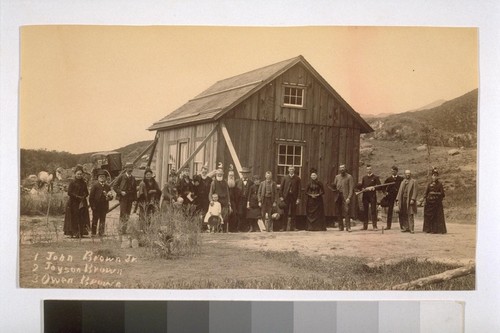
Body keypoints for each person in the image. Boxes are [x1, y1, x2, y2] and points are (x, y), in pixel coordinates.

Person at [64, 165, 90, 238]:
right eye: (78, 174)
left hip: (82, 202)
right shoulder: (72, 182)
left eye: (81, 174)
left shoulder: (84, 183)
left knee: (81, 217)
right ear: (75, 174)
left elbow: (87, 192)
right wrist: (76, 196)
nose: (79, 175)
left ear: (82, 175)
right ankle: (74, 232)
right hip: (73, 202)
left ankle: (81, 232)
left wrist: (84, 196)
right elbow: (69, 192)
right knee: (74, 217)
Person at [112, 162, 138, 235]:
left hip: (130, 198)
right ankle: (121, 229)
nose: (130, 169)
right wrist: (120, 192)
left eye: (131, 168)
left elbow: (135, 190)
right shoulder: (121, 176)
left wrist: (135, 199)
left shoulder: (133, 178)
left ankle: (124, 230)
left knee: (127, 214)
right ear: (125, 169)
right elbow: (114, 186)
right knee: (123, 213)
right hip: (123, 198)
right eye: (129, 168)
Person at [89, 169, 113, 236]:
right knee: (95, 219)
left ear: (106, 178)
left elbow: (110, 196)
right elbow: (91, 197)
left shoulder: (107, 186)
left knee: (103, 219)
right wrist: (93, 206)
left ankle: (101, 232)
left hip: (104, 205)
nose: (102, 178)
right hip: (96, 206)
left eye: (103, 177)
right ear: (98, 178)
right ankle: (93, 233)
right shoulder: (95, 186)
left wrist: (109, 197)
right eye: (100, 177)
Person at [423, 168, 447, 234]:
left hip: (437, 203)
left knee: (436, 216)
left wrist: (435, 193)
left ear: (437, 176)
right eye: (433, 175)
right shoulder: (429, 184)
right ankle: (428, 229)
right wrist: (424, 198)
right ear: (431, 176)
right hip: (429, 203)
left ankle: (436, 230)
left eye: (436, 176)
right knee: (429, 216)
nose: (434, 177)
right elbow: (426, 192)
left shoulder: (440, 184)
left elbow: (442, 194)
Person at [332, 164, 354, 232]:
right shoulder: (337, 177)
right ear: (339, 169)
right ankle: (340, 227)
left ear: (345, 168)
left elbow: (351, 188)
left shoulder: (349, 177)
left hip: (345, 196)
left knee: (347, 211)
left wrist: (349, 197)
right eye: (341, 168)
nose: (342, 169)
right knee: (338, 211)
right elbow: (334, 186)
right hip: (338, 196)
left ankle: (348, 227)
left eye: (343, 168)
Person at [279, 166, 301, 231]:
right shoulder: (285, 178)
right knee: (285, 212)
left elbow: (299, 189)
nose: (291, 170)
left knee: (293, 212)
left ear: (294, 170)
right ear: (288, 170)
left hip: (294, 197)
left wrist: (298, 198)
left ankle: (293, 227)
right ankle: (284, 227)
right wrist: (281, 196)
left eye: (292, 169)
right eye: (290, 169)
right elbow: (281, 188)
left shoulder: (297, 178)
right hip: (286, 197)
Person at [396, 169, 418, 233]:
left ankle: (411, 228)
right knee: (404, 213)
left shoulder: (414, 181)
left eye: (409, 173)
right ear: (405, 174)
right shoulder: (403, 182)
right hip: (403, 200)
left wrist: (413, 199)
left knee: (410, 214)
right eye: (406, 173)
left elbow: (415, 191)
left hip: (409, 200)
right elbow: (400, 192)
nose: (408, 174)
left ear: (410, 174)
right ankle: (406, 227)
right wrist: (397, 200)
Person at [383, 166, 404, 230]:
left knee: (400, 210)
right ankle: (388, 226)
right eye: (392, 171)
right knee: (390, 211)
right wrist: (385, 193)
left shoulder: (401, 179)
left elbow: (403, 187)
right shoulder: (388, 179)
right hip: (391, 196)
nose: (393, 172)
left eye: (394, 171)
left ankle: (402, 226)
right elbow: (383, 187)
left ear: (397, 171)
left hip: (398, 196)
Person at [361, 165, 381, 230]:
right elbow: (362, 186)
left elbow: (380, 186)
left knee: (373, 211)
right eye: (367, 169)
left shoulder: (375, 177)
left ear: (371, 170)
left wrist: (374, 188)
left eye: (370, 169)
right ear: (366, 170)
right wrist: (363, 188)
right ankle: (365, 226)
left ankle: (374, 226)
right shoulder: (364, 177)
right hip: (365, 196)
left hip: (372, 196)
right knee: (365, 211)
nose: (368, 170)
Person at [235, 167, 252, 232]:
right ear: (242, 174)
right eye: (244, 174)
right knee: (240, 213)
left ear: (248, 174)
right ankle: (239, 228)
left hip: (247, 200)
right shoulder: (237, 181)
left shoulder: (251, 183)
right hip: (239, 201)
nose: (245, 175)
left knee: (246, 214)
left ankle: (246, 228)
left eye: (246, 174)